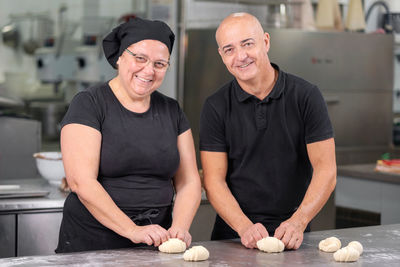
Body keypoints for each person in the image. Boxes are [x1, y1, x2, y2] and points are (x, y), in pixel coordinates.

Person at [56, 17, 201, 253]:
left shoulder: (172, 110)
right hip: (94, 245)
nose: (149, 70)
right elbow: (81, 182)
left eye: (159, 63)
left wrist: (179, 227)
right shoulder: (89, 104)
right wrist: (132, 230)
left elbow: (189, 181)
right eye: (140, 58)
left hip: (156, 242)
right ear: (120, 57)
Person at [200, 12, 337, 250]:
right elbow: (213, 180)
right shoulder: (215, 106)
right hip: (233, 235)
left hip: (294, 232)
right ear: (221, 55)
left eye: (247, 44)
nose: (240, 56)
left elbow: (326, 169)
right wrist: (243, 226)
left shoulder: (306, 96)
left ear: (265, 41)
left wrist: (299, 221)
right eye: (229, 49)